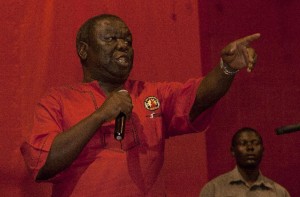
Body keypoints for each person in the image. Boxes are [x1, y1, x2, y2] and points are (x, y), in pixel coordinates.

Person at [20, 14, 260, 196]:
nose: (123, 45)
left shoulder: (151, 93)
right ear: (84, 50)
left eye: (127, 40)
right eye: (111, 38)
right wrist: (100, 116)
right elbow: (43, 163)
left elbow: (199, 96)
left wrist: (227, 68)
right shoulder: (58, 100)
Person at [199, 127, 290, 197]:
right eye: (243, 143)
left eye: (255, 143)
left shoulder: (279, 193)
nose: (250, 148)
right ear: (232, 151)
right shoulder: (214, 189)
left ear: (263, 150)